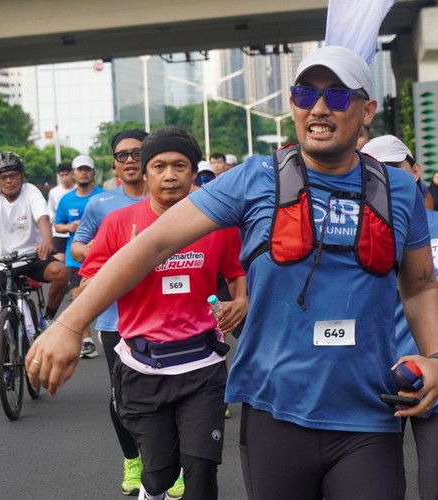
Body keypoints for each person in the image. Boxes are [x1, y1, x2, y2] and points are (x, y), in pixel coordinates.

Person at [27, 46, 438, 500]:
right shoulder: (255, 178)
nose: (319, 108)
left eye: (338, 96)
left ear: (367, 110)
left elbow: (419, 287)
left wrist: (435, 356)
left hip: (367, 416)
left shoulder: (398, 189)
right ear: (293, 105)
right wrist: (70, 323)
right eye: (306, 94)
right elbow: (151, 245)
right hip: (274, 411)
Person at [29, 126, 247, 500]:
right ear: (145, 174)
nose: (169, 175)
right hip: (143, 366)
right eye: (159, 166)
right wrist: (128, 264)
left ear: (193, 173)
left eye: (180, 165)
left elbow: (235, 271)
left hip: (202, 364)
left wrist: (240, 301)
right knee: (159, 475)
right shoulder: (118, 223)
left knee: (201, 474)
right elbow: (87, 286)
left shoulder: (216, 222)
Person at [71, 129, 149, 496]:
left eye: (137, 152)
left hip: (167, 314)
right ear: (114, 164)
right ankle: (132, 458)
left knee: (170, 394)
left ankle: (170, 462)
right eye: (122, 155)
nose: (130, 160)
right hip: (115, 318)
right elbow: (79, 247)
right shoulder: (101, 205)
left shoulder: (173, 197)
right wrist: (116, 254)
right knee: (122, 396)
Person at [362, 135, 438, 500]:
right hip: (372, 379)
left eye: (395, 168)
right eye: (376, 171)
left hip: (433, 376)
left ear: (415, 171)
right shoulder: (350, 233)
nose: (388, 177)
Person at [0, 151, 68, 392]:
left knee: (61, 273)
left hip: (32, 257)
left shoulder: (31, 192)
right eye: (3, 177)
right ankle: (4, 369)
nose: (9, 181)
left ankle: (48, 318)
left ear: (22, 176)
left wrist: (47, 242)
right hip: (3, 263)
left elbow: (43, 218)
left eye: (13, 175)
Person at [54, 154, 104, 357]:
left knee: (107, 297)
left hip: (103, 255)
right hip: (75, 257)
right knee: (78, 298)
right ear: (73, 173)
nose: (83, 173)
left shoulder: (104, 197)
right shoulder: (66, 200)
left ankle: (111, 332)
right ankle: (87, 341)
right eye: (80, 170)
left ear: (93, 173)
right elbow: (57, 225)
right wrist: (69, 227)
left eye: (87, 169)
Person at [47, 163, 75, 262]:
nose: (64, 178)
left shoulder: (78, 189)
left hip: (75, 232)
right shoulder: (54, 192)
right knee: (59, 262)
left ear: (72, 173)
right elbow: (50, 209)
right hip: (59, 234)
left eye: (67, 174)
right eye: (62, 175)